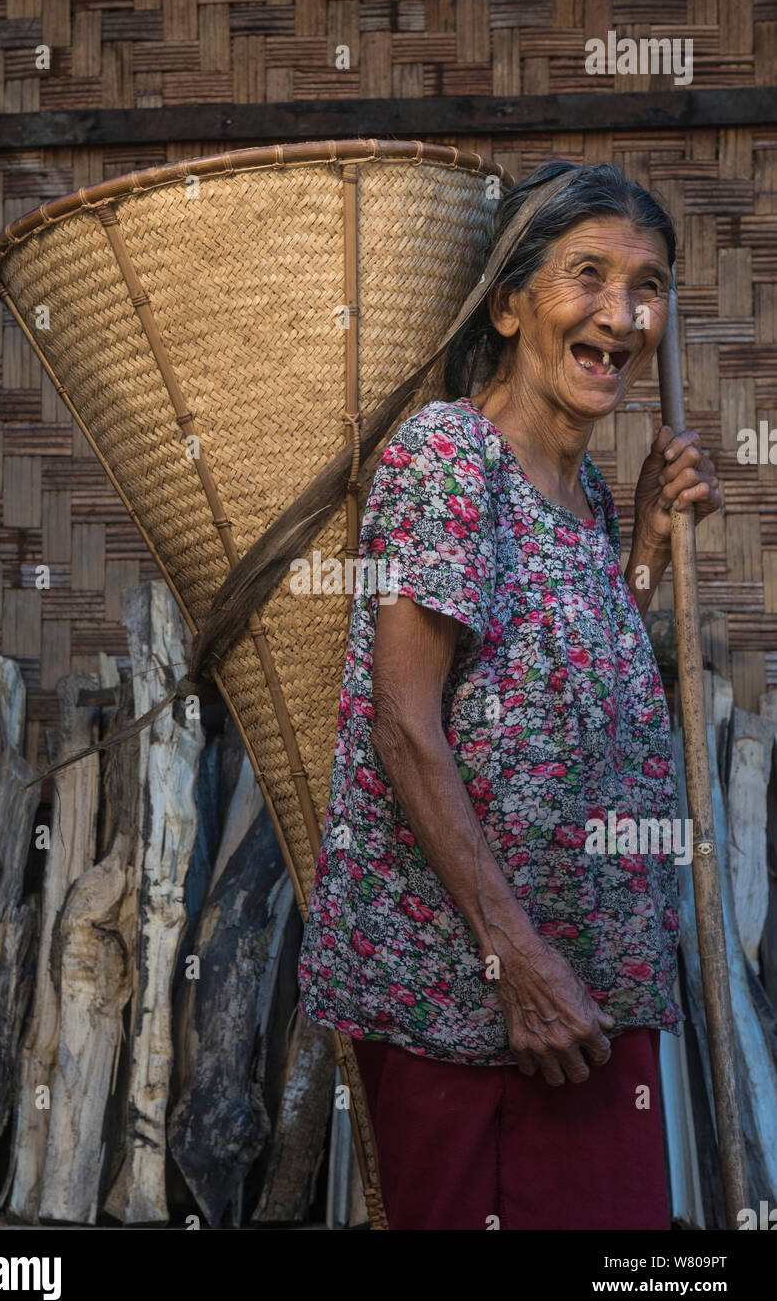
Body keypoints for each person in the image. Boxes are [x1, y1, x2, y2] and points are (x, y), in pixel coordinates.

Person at [296, 160, 722, 1230]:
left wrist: (643, 555)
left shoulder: (581, 496)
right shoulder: (448, 460)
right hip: (480, 1011)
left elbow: (567, 695)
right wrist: (518, 963)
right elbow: (405, 726)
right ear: (508, 303)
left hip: (591, 1000)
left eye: (648, 285)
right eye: (589, 275)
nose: (621, 315)